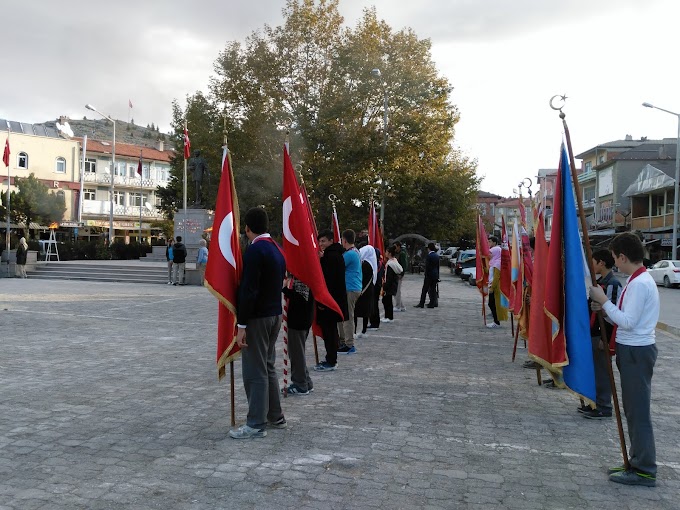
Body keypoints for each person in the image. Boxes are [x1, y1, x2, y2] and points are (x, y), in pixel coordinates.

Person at [589, 232, 659, 486]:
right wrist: (605, 309)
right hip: (631, 350)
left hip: (637, 352)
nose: (614, 264)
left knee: (637, 412)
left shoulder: (640, 283)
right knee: (632, 410)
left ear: (622, 256)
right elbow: (623, 316)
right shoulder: (635, 279)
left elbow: (628, 322)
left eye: (616, 259)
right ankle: (636, 459)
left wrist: (604, 301)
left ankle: (644, 469)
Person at [230, 208, 287, 439]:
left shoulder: (255, 251)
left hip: (258, 318)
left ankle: (255, 424)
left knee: (255, 371)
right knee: (268, 367)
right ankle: (276, 416)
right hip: (274, 314)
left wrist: (241, 324)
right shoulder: (276, 248)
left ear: (247, 228)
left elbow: (250, 290)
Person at [581, 249, 621, 420]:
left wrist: (608, 340)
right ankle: (594, 403)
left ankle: (604, 406)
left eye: (594, 261)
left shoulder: (613, 284)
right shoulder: (600, 282)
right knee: (594, 371)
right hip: (593, 332)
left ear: (602, 263)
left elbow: (615, 313)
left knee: (603, 372)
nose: (592, 264)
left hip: (603, 335)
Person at [314, 229, 348, 371]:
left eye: (323, 241)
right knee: (331, 330)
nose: (321, 244)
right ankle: (331, 358)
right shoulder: (335, 254)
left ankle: (331, 360)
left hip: (329, 300)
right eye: (319, 241)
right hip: (335, 299)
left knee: (330, 331)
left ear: (330, 241)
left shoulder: (331, 256)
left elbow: (328, 281)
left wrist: (322, 302)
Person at [281, 276, 315, 395]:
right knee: (298, 352)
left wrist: (285, 289)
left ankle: (300, 384)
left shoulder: (301, 275)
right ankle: (306, 381)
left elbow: (300, 299)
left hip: (298, 320)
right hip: (302, 318)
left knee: (296, 353)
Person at [338, 229, 362, 353]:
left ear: (345, 240)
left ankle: (349, 344)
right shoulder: (355, 252)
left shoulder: (349, 254)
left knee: (347, 317)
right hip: (353, 287)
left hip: (350, 288)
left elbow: (337, 266)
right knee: (344, 316)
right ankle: (344, 341)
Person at [353, 245, 377, 341]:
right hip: (368, 291)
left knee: (355, 311)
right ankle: (363, 330)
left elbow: (360, 277)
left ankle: (354, 331)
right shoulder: (371, 263)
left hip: (361, 290)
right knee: (365, 312)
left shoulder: (364, 264)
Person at [486, 236, 507, 328]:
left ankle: (496, 322)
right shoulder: (493, 262)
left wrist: (492, 287)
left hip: (495, 287)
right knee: (492, 303)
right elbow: (490, 273)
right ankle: (496, 321)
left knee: (492, 303)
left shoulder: (498, 262)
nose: (489, 254)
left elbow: (496, 277)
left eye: (491, 253)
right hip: (492, 285)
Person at [381, 246, 403, 322]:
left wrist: (385, 286)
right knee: (387, 301)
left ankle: (389, 317)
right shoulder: (394, 261)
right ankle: (388, 316)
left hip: (389, 285)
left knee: (387, 302)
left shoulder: (390, 264)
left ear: (390, 253)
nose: (385, 253)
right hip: (392, 284)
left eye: (386, 252)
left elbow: (389, 277)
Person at [415, 242, 439, 308]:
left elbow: (427, 266)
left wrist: (426, 274)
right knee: (433, 290)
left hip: (429, 275)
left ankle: (421, 303)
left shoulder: (429, 256)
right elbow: (437, 267)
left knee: (424, 290)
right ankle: (432, 303)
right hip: (435, 275)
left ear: (429, 248)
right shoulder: (437, 256)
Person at [368, 248, 384, 330]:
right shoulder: (380, 263)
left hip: (375, 286)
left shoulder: (377, 264)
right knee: (374, 304)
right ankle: (373, 321)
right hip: (377, 285)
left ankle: (374, 322)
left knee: (373, 305)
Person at [394, 242, 409, 311]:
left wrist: (401, 274)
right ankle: (402, 306)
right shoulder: (397, 254)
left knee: (397, 291)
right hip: (396, 274)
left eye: (395, 247)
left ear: (399, 246)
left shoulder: (402, 254)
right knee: (396, 290)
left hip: (399, 274)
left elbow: (404, 265)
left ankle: (398, 306)